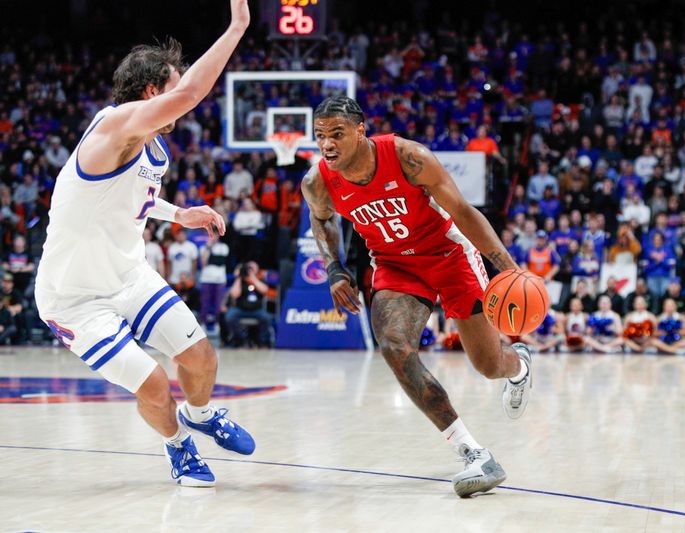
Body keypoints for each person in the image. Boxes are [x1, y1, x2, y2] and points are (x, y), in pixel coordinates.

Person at [33, 0, 254, 488]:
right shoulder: (115, 128)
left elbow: (131, 196)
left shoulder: (152, 147)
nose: (182, 97)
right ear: (153, 92)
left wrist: (179, 212)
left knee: (202, 358)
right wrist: (238, 24)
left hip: (128, 276)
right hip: (74, 299)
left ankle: (200, 413)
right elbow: (195, 91)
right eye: (172, 88)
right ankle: (178, 445)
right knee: (155, 385)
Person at [302, 95, 533, 497]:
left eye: (337, 134)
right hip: (395, 264)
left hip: (449, 255)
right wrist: (335, 269)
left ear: (361, 131)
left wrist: (508, 267)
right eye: (320, 136)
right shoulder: (318, 180)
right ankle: (473, 453)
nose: (328, 144)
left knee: (488, 364)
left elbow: (462, 211)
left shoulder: (409, 157)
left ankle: (518, 367)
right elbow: (320, 219)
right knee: (393, 346)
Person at [223, 261, 272, 347]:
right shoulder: (240, 280)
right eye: (249, 268)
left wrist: (253, 278)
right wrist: (239, 277)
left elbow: (265, 290)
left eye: (253, 268)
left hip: (256, 310)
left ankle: (262, 341)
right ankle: (240, 339)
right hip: (240, 309)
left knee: (267, 318)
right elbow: (234, 294)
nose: (250, 270)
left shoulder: (260, 279)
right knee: (229, 317)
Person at [199, 230, 229, 333]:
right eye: (211, 236)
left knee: (218, 304)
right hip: (206, 279)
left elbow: (221, 261)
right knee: (205, 303)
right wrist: (208, 247)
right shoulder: (204, 248)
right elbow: (203, 263)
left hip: (220, 279)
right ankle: (203, 323)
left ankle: (217, 324)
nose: (213, 237)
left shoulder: (224, 247)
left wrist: (212, 259)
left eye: (215, 235)